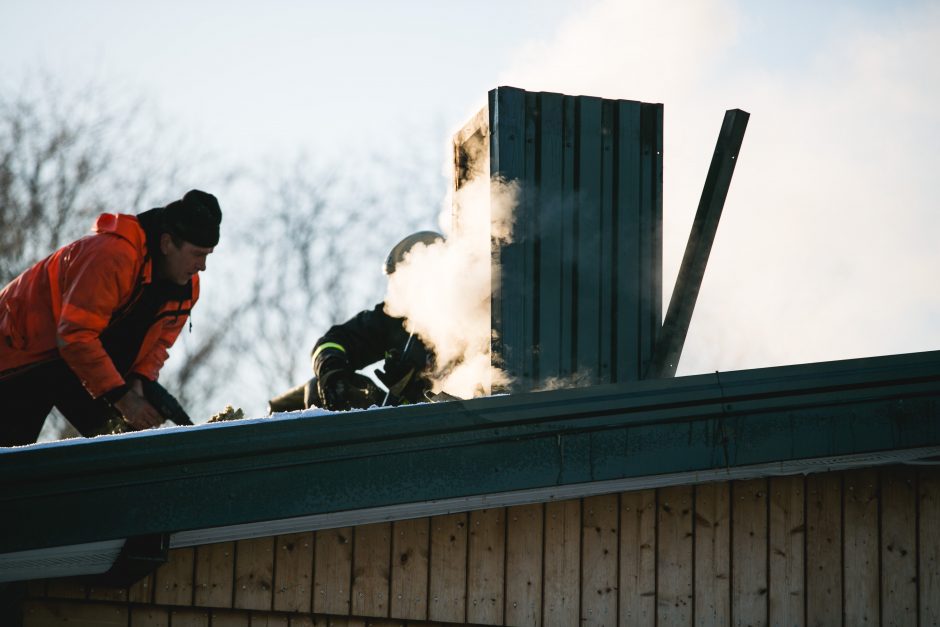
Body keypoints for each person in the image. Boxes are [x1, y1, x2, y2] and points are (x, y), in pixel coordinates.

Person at [0, 190, 222, 446]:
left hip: (72, 364)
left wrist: (139, 381)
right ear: (167, 244)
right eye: (197, 254)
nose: (202, 266)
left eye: (208, 254)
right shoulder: (114, 255)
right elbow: (75, 335)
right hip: (18, 355)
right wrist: (124, 398)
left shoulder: (186, 287)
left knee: (127, 448)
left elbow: (158, 345)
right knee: (11, 462)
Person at [268, 231, 442, 413]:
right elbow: (335, 341)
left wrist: (414, 386)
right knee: (316, 389)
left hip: (444, 426)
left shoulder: (466, 323)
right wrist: (332, 373)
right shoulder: (395, 318)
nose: (398, 292)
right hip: (393, 422)